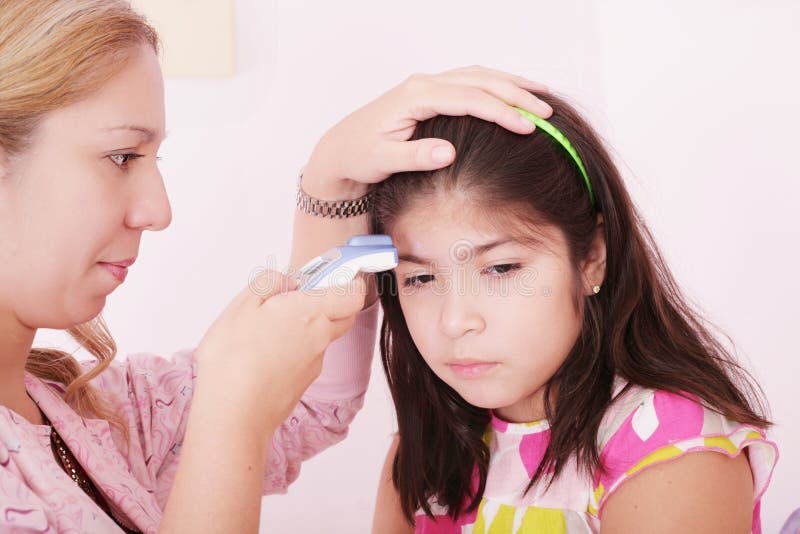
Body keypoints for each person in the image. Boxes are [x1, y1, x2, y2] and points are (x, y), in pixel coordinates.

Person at [0, 0, 553, 531]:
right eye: (122, 157)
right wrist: (231, 418)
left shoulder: (97, 416)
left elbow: (308, 402)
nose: (158, 211)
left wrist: (330, 182)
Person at [367, 94, 779, 533]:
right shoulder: (429, 446)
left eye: (501, 268)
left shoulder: (670, 450)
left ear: (591, 258)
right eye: (420, 280)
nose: (454, 321)